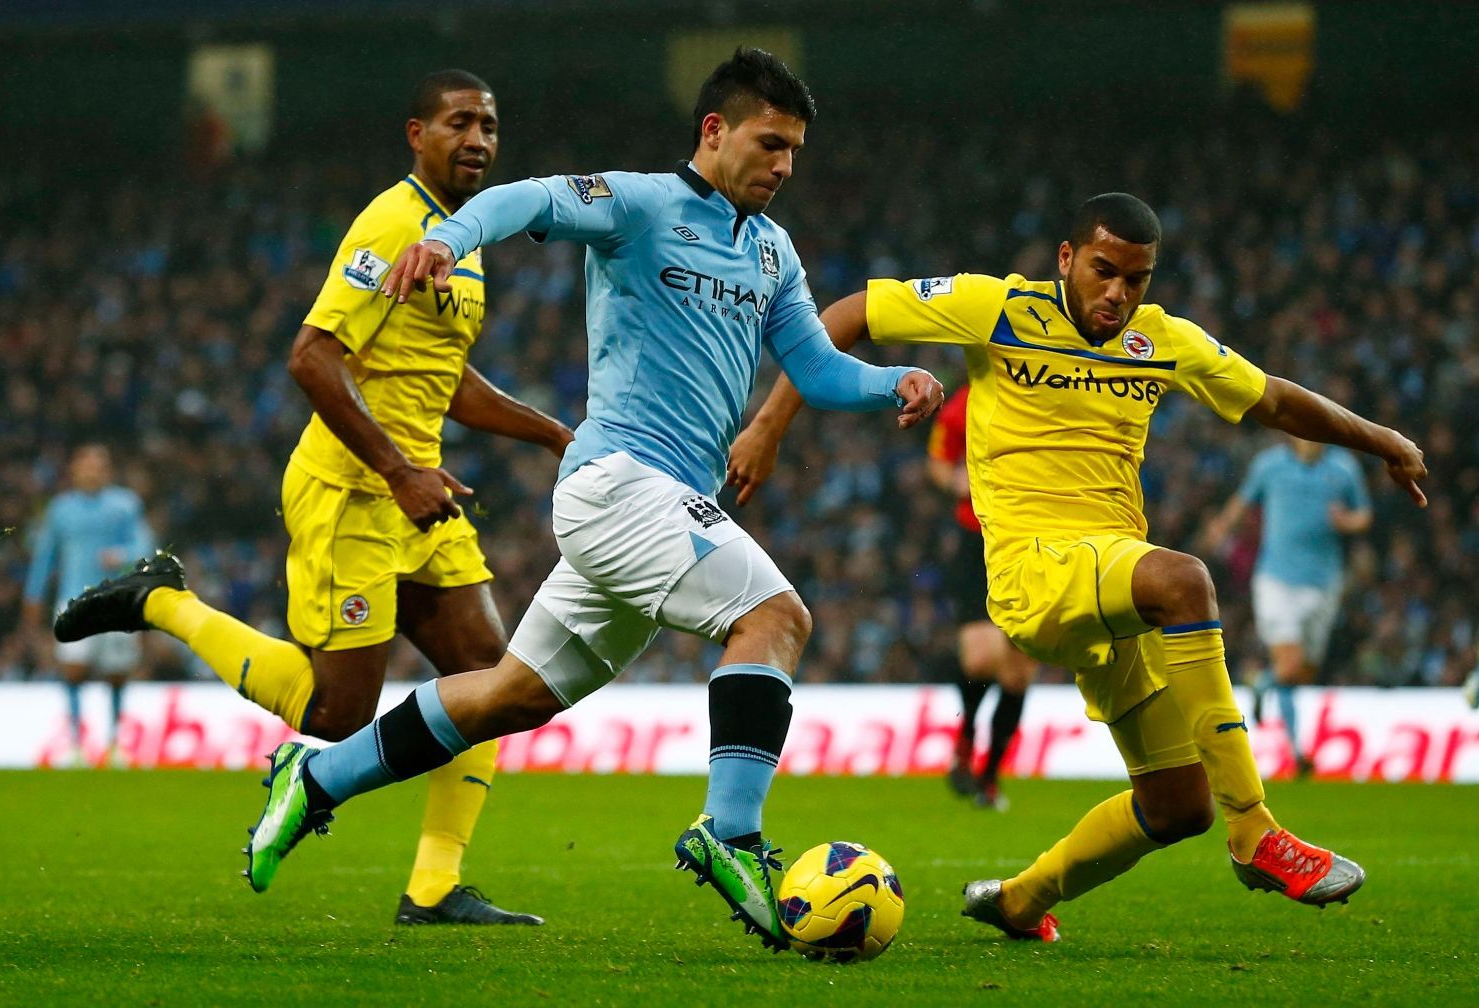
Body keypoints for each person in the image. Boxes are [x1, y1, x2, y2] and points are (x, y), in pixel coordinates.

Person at [233, 48, 942, 953]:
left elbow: (817, 370)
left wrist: (894, 384)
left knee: (509, 697)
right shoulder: (641, 204)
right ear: (715, 132)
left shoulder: (771, 249)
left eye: (795, 151)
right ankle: (731, 837)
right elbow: (524, 199)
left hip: (661, 498)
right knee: (774, 618)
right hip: (618, 486)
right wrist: (448, 239)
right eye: (770, 144)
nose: (784, 167)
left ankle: (319, 777)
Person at [731, 192, 1426, 942]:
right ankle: (1256, 830)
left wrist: (1383, 439)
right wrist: (769, 426)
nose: (1118, 293)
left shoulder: (1162, 340)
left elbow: (1275, 401)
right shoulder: (994, 308)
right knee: (1185, 579)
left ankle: (1022, 899)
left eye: (1137, 279)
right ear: (1066, 259)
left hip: (1110, 579)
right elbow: (850, 313)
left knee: (1178, 804)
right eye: (1103, 271)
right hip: (1035, 572)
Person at [54, 69, 571, 927]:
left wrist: (551, 432)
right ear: (417, 134)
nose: (477, 138)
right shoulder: (391, 222)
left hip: (420, 492)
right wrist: (400, 472)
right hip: (354, 490)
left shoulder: (463, 239)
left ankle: (436, 889)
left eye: (488, 124)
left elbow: (445, 380)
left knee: (492, 683)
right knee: (338, 714)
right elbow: (311, 356)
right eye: (458, 123)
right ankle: (161, 601)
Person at [730, 381, 1037, 809]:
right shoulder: (965, 404)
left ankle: (988, 777)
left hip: (1034, 546)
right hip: (977, 543)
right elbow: (938, 464)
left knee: (1018, 673)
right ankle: (967, 738)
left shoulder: (1047, 401)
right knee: (981, 659)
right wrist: (956, 481)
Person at [1203, 436, 1371, 777]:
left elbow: (1364, 515)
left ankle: (1264, 688)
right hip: (1276, 579)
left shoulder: (1343, 468)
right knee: (1291, 665)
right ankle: (1296, 746)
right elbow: (1243, 500)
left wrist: (1347, 522)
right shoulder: (1270, 465)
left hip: (1324, 581)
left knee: (1300, 674)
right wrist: (1221, 527)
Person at [22, 444, 153, 767]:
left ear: (107, 470)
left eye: (99, 464)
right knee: (74, 670)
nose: (93, 470)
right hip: (73, 601)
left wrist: (121, 556)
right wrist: (33, 595)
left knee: (117, 674)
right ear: (75, 470)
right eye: (87, 464)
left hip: (117, 602)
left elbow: (144, 544)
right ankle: (78, 744)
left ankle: (115, 744)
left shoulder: (125, 505)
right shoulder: (60, 509)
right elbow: (45, 556)